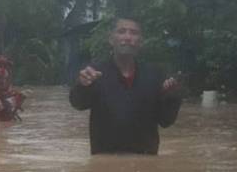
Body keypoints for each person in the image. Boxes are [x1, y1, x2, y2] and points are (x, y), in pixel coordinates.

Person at [69, 17, 181, 155]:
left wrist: (171, 96)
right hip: (104, 161)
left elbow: (166, 121)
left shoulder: (154, 75)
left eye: (134, 33)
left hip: (146, 162)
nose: (128, 37)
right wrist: (82, 85)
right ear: (111, 39)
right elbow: (78, 104)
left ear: (140, 41)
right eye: (122, 31)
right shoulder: (95, 73)